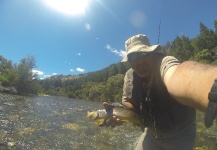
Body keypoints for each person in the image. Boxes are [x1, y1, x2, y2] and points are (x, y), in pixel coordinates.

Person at [103, 34, 217, 150]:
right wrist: (118, 111)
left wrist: (211, 87)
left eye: (143, 53)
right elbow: (130, 103)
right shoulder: (130, 75)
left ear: (152, 53)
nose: (140, 61)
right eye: (133, 57)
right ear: (129, 61)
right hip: (152, 133)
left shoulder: (164, 62)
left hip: (181, 132)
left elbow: (177, 76)